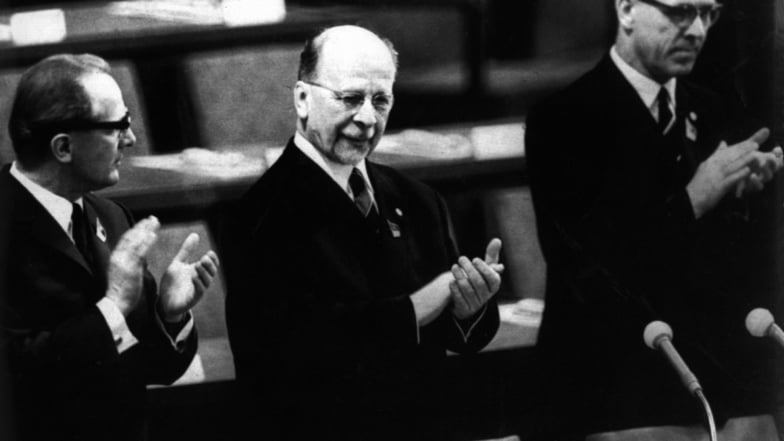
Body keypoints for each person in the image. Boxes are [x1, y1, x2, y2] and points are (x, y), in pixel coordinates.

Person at [222, 25, 503, 440]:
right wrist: (414, 308)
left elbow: (456, 338)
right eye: (351, 98)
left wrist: (469, 306)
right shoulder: (260, 214)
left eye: (381, 100)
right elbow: (290, 356)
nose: (368, 118)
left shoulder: (419, 199)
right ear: (302, 99)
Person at [526, 0, 784, 439]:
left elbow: (729, 271)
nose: (697, 30)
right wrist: (694, 199)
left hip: (707, 379)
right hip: (612, 389)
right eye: (681, 12)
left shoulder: (715, 111)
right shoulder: (563, 118)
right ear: (626, 9)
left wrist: (746, 202)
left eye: (709, 14)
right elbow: (591, 272)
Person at [0, 54, 220, 441]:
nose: (131, 139)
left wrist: (168, 316)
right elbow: (21, 380)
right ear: (64, 147)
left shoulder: (112, 216)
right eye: (116, 127)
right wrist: (114, 305)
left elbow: (155, 369)